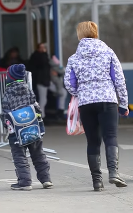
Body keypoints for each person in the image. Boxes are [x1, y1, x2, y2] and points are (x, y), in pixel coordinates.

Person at [64, 21, 129, 191]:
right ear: (95, 32)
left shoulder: (74, 58)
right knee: (110, 137)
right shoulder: (108, 53)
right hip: (107, 100)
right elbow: (119, 80)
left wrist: (83, 91)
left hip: (86, 103)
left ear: (80, 34)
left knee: (92, 141)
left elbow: (69, 84)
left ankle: (97, 182)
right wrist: (123, 103)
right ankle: (114, 173)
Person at [0, 64, 53, 191]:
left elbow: (5, 111)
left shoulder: (8, 92)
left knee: (19, 156)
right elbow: (36, 106)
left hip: (16, 131)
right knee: (38, 154)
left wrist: (5, 125)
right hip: (32, 127)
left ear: (10, 77)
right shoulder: (28, 89)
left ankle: (25, 182)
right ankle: (46, 179)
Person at [28, 43, 51, 118]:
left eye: (44, 47)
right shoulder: (37, 56)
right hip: (41, 81)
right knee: (43, 99)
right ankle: (41, 116)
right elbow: (43, 63)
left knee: (61, 92)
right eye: (41, 47)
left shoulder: (43, 56)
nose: (43, 49)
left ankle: (59, 111)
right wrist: (44, 54)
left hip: (46, 80)